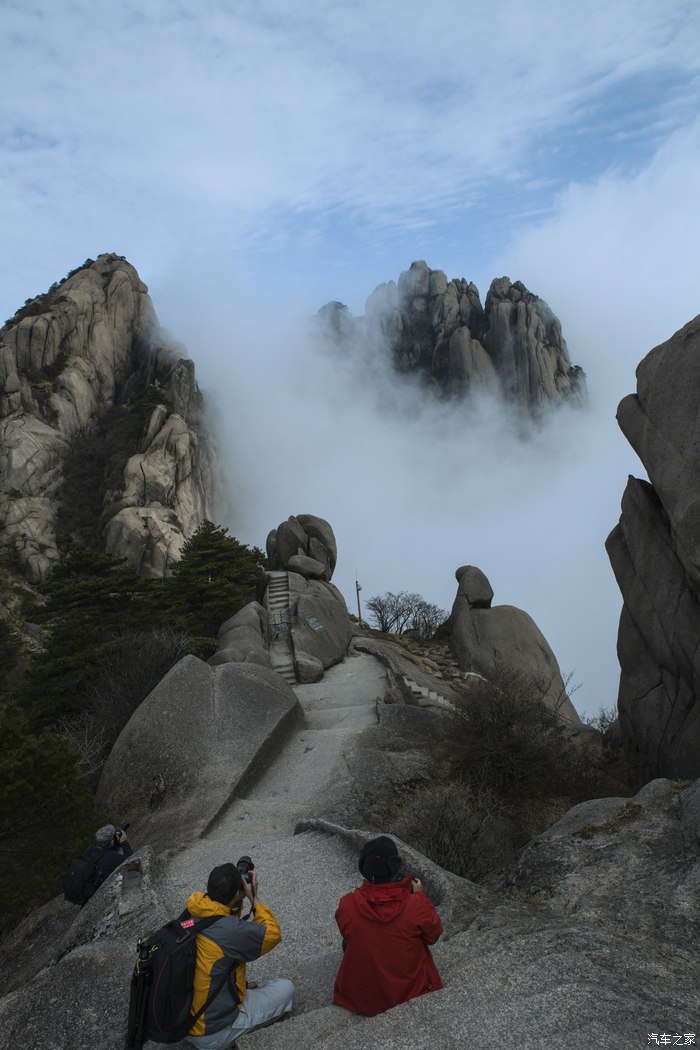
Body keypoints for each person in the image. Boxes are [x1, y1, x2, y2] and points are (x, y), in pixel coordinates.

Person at [186, 861, 294, 1049]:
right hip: (212, 1031)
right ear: (237, 894)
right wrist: (254, 898)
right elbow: (273, 934)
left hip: (183, 1018)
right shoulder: (230, 931)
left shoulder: (194, 910)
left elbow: (224, 918)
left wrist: (235, 897)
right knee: (286, 988)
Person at [332, 835, 443, 1017]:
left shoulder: (347, 904)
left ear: (364, 869)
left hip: (363, 997)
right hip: (409, 990)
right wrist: (420, 896)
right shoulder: (415, 904)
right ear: (394, 868)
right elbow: (434, 935)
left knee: (349, 941)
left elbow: (348, 934)